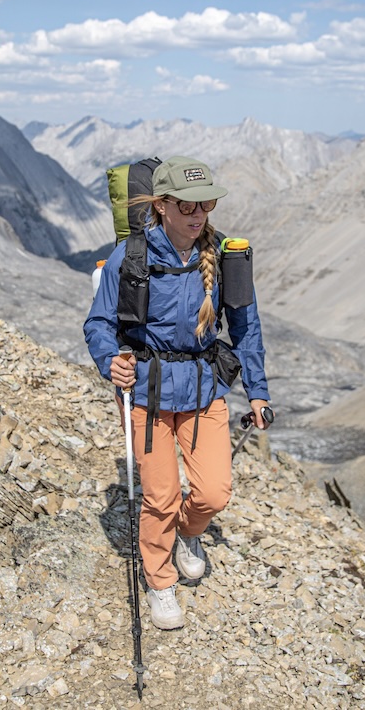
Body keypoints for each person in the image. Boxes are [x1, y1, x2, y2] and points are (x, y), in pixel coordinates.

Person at [84, 155, 271, 631]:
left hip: (205, 387)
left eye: (206, 203)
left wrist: (257, 392)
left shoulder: (227, 257)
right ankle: (160, 581)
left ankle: (189, 534)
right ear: (162, 205)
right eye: (187, 204)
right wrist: (111, 361)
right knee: (161, 496)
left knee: (212, 493)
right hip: (147, 389)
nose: (198, 213)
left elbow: (247, 329)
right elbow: (99, 323)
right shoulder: (131, 258)